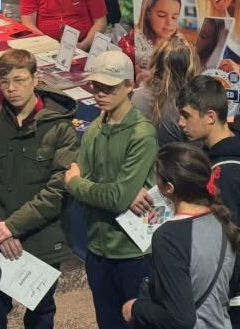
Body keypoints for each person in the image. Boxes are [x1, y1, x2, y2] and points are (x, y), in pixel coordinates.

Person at [0, 49, 79, 328]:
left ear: (35, 79)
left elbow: (58, 189)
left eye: (19, 80)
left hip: (43, 237)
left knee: (41, 312)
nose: (11, 88)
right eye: (4, 82)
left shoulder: (59, 128)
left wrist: (12, 227)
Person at [65, 50, 158, 329]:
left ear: (130, 86)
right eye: (96, 86)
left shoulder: (142, 133)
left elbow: (116, 197)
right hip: (98, 249)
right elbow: (114, 195)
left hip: (134, 253)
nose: (100, 93)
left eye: (109, 87)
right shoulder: (94, 129)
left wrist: (77, 184)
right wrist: (113, 193)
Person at [123, 143, 240, 329]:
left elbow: (180, 319)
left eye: (157, 178)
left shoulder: (168, 237)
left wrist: (136, 308)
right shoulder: (222, 220)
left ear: (169, 188)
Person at [177, 74, 240, 325]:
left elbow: (236, 238)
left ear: (210, 116)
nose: (180, 123)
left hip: (233, 295)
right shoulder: (211, 154)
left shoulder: (229, 175)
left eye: (186, 116)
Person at [133, 35, 201, 147]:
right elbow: (198, 152)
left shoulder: (136, 96)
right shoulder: (189, 109)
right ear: (191, 69)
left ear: (156, 63)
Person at [135, 0, 184, 71]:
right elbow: (137, 57)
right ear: (147, 13)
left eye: (174, 17)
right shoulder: (137, 40)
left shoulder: (179, 42)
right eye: (162, 15)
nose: (169, 23)